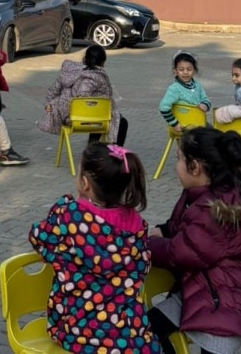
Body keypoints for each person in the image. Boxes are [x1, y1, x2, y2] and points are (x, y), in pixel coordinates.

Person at [147, 127, 241, 354]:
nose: (175, 167)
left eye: (179, 160)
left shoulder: (214, 210)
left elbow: (180, 253)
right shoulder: (207, 193)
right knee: (147, 329)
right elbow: (184, 227)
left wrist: (145, 246)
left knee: (148, 331)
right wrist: (164, 230)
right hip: (202, 290)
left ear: (195, 167)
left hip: (223, 304)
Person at [29, 143, 155, 351]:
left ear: (85, 183)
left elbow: (38, 237)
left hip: (75, 327)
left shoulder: (69, 215)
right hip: (129, 330)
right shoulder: (135, 222)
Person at [39, 44, 127, 146]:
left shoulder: (69, 72)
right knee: (120, 121)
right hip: (94, 119)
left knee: (95, 114)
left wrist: (48, 103)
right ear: (102, 63)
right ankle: (115, 153)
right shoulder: (99, 77)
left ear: (84, 58)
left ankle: (92, 147)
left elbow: (53, 90)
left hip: (70, 118)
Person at [157, 51, 210, 130]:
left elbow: (206, 99)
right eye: (181, 69)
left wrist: (205, 105)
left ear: (194, 71)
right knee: (205, 137)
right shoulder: (174, 89)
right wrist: (175, 124)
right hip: (183, 125)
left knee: (215, 135)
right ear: (175, 71)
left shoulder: (197, 85)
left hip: (199, 122)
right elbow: (163, 107)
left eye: (189, 69)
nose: (185, 72)